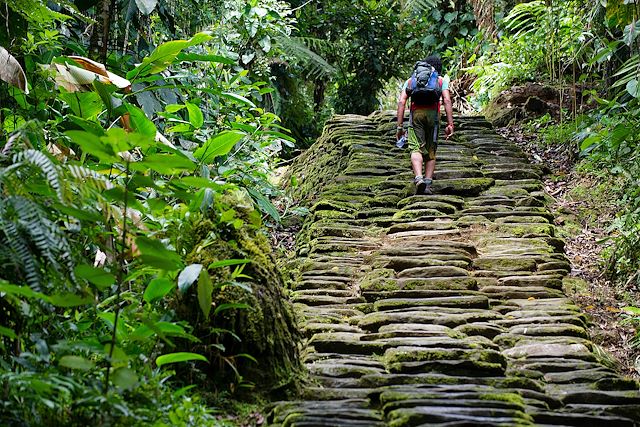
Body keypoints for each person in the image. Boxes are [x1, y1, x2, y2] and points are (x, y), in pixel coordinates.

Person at [396, 55, 454, 195]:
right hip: (433, 116)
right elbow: (446, 100)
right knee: (431, 150)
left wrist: (399, 127)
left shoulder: (411, 80)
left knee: (415, 147)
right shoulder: (440, 80)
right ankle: (427, 183)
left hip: (416, 115)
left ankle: (419, 178)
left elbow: (402, 102)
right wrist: (450, 124)